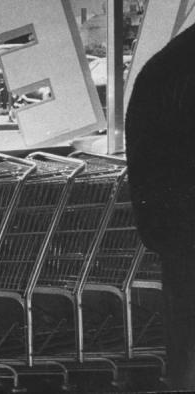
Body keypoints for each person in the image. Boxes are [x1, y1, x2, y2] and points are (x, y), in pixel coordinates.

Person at [125, 22, 195, 390]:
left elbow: (143, 154)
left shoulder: (165, 65)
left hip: (178, 229)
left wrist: (159, 229)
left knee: (185, 340)